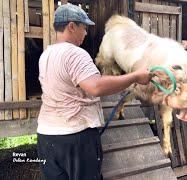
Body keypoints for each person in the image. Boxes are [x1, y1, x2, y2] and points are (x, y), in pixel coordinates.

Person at [36, 3, 151, 180]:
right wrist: (135, 77)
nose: (86, 33)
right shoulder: (75, 54)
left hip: (46, 136)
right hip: (75, 137)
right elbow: (95, 86)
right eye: (84, 28)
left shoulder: (47, 54)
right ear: (71, 26)